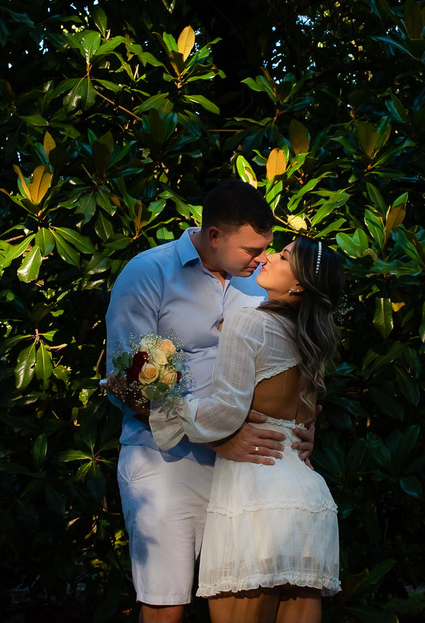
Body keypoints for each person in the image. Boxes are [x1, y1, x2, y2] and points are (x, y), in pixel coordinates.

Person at [106, 180, 315, 623]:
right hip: (165, 461)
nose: (261, 259)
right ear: (214, 235)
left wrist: (302, 424)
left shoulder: (262, 284)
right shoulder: (149, 273)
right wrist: (221, 439)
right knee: (166, 604)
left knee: (252, 600)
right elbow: (129, 382)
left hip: (247, 471)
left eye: (266, 248)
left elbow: (296, 357)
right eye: (250, 249)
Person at [149, 236, 344, 623]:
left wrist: (161, 399)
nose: (270, 256)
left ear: (300, 283)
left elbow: (222, 416)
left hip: (254, 499)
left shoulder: (250, 321)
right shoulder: (310, 338)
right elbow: (305, 416)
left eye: (284, 255)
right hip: (307, 497)